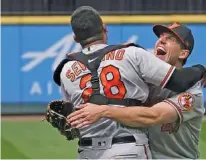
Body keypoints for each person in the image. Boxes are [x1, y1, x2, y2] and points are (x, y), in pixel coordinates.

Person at [55, 5, 205, 159]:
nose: (162, 40)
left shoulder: (192, 92)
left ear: (184, 53)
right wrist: (74, 120)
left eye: (171, 39)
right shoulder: (142, 79)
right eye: (161, 37)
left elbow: (154, 116)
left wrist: (103, 110)